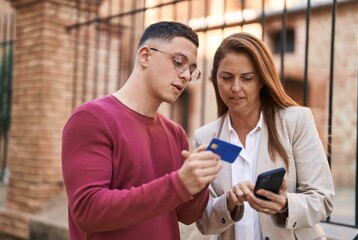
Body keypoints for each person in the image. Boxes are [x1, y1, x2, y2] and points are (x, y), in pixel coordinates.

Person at [61, 21, 222, 240]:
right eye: (178, 62)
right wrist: (178, 184)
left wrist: (198, 183)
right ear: (145, 56)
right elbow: (87, 211)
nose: (185, 75)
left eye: (192, 70)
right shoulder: (91, 119)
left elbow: (187, 215)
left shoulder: (175, 133)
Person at [194, 32, 335, 240]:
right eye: (226, 77)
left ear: (261, 80)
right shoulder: (206, 137)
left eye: (247, 78)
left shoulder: (296, 121)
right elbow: (203, 221)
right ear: (215, 78)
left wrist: (285, 204)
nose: (235, 88)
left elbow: (323, 200)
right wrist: (229, 203)